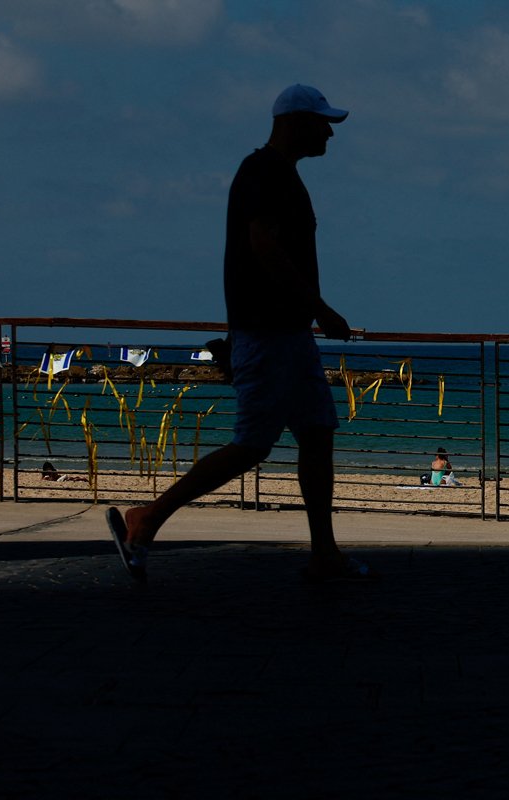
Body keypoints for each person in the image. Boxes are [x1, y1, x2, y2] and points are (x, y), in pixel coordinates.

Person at [106, 84, 370, 584]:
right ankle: (148, 518)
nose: (330, 134)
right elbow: (264, 248)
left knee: (317, 435)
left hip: (288, 334)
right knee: (252, 445)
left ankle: (324, 554)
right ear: (295, 121)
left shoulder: (282, 176)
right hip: (269, 333)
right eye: (323, 123)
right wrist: (323, 310)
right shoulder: (265, 173)